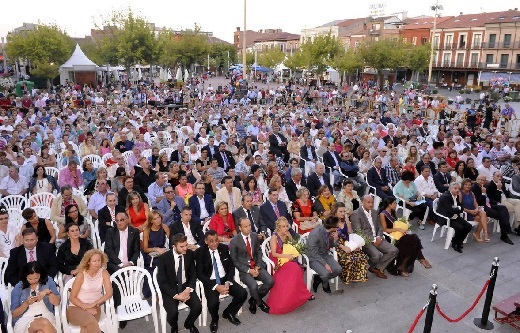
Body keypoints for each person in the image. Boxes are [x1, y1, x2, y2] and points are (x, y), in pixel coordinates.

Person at [195, 230, 247, 332]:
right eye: (211, 241)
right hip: (211, 281)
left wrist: (228, 281)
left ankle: (229, 312)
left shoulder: (223, 248)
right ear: (206, 241)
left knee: (242, 293)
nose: (215, 243)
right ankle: (215, 319)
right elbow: (200, 274)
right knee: (213, 303)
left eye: (216, 240)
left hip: (225, 279)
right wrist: (216, 286)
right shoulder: (200, 252)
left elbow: (231, 266)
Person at [265, 217, 314, 314]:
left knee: (296, 269)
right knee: (293, 270)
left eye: (287, 226)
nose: (286, 228)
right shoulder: (274, 237)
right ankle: (285, 301)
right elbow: (274, 254)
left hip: (288, 259)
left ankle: (301, 295)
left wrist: (290, 237)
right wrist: (286, 255)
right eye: (283, 226)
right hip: (278, 260)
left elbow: (293, 246)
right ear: (278, 227)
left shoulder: (287, 234)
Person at [156, 233, 202, 333]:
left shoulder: (189, 254)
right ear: (174, 246)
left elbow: (193, 273)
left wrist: (188, 288)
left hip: (185, 286)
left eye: (186, 245)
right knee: (172, 313)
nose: (185, 248)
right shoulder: (164, 258)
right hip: (170, 288)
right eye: (182, 246)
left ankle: (189, 324)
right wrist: (176, 296)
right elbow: (162, 282)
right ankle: (174, 327)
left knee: (198, 307)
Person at [229, 217, 274, 314]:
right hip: (244, 270)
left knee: (270, 281)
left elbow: (258, 251)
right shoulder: (234, 241)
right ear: (240, 228)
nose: (249, 228)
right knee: (253, 286)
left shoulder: (254, 236)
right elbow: (235, 260)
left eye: (249, 225)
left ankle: (253, 299)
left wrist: (257, 266)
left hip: (256, 266)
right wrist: (248, 270)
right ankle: (260, 303)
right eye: (245, 226)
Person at [378, 197, 431, 277]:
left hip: (399, 234)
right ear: (389, 204)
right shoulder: (383, 214)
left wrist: (404, 227)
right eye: (394, 203)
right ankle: (421, 259)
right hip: (392, 237)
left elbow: (397, 222)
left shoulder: (393, 211)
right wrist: (399, 229)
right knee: (414, 239)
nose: (396, 204)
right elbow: (385, 230)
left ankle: (405, 265)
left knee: (413, 240)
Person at [350, 195, 398, 279]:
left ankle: (377, 268)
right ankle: (369, 265)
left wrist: (379, 236)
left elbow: (380, 227)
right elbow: (358, 232)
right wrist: (373, 239)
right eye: (368, 202)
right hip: (366, 240)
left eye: (372, 202)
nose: (371, 204)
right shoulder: (356, 214)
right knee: (376, 255)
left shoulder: (375, 212)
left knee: (394, 250)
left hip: (378, 238)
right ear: (363, 202)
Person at [66, 249, 113, 333]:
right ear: (88, 262)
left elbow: (109, 293)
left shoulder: (104, 273)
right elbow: (72, 298)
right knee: (91, 322)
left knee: (87, 327)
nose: (97, 263)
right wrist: (86, 307)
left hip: (94, 307)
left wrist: (95, 303)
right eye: (94, 261)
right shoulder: (81, 275)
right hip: (75, 308)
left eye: (99, 260)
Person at [10, 262, 61, 333]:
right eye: (30, 279)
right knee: (44, 322)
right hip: (25, 319)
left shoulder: (48, 281)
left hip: (46, 314)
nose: (34, 281)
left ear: (41, 274)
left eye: (36, 278)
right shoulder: (19, 287)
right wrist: (26, 304)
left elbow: (57, 302)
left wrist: (49, 293)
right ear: (25, 276)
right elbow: (14, 314)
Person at [330, 203, 369, 284]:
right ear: (335, 212)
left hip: (347, 241)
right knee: (348, 259)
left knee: (362, 256)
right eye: (340, 211)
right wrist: (343, 247)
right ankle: (346, 277)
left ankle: (356, 276)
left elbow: (350, 232)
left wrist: (355, 244)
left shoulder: (345, 218)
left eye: (344, 211)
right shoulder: (331, 222)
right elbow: (331, 240)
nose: (343, 213)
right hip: (337, 244)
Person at [472, 175, 515, 245]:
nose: (483, 181)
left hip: (490, 204)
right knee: (500, 215)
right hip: (482, 206)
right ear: (477, 180)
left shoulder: (486, 186)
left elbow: (494, 198)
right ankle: (505, 233)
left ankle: (506, 227)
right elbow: (478, 202)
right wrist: (483, 193)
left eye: (484, 180)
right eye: (481, 180)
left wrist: (499, 189)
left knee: (503, 208)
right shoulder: (474, 187)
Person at [305, 215, 342, 293]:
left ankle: (319, 278)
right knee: (325, 273)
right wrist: (325, 264)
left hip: (324, 253)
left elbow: (331, 245)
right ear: (332, 227)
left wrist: (335, 240)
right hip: (313, 257)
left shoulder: (331, 231)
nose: (338, 227)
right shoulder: (315, 234)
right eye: (337, 226)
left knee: (338, 270)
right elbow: (314, 253)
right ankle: (325, 282)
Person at [435, 183, 473, 253]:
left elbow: (461, 206)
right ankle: (455, 244)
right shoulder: (446, 196)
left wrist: (457, 208)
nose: (457, 190)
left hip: (454, 216)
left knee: (468, 226)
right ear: (450, 189)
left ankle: (457, 241)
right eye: (455, 188)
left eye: (458, 189)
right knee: (460, 227)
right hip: (446, 217)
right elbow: (451, 210)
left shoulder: (456, 196)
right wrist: (458, 208)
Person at [141, 211, 170, 298]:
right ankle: (153, 290)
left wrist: (164, 250)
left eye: (159, 217)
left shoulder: (165, 228)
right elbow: (145, 249)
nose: (158, 220)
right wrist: (155, 249)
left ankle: (164, 289)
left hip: (163, 251)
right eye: (155, 218)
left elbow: (169, 242)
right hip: (150, 253)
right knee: (155, 264)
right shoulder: (147, 230)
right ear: (151, 221)